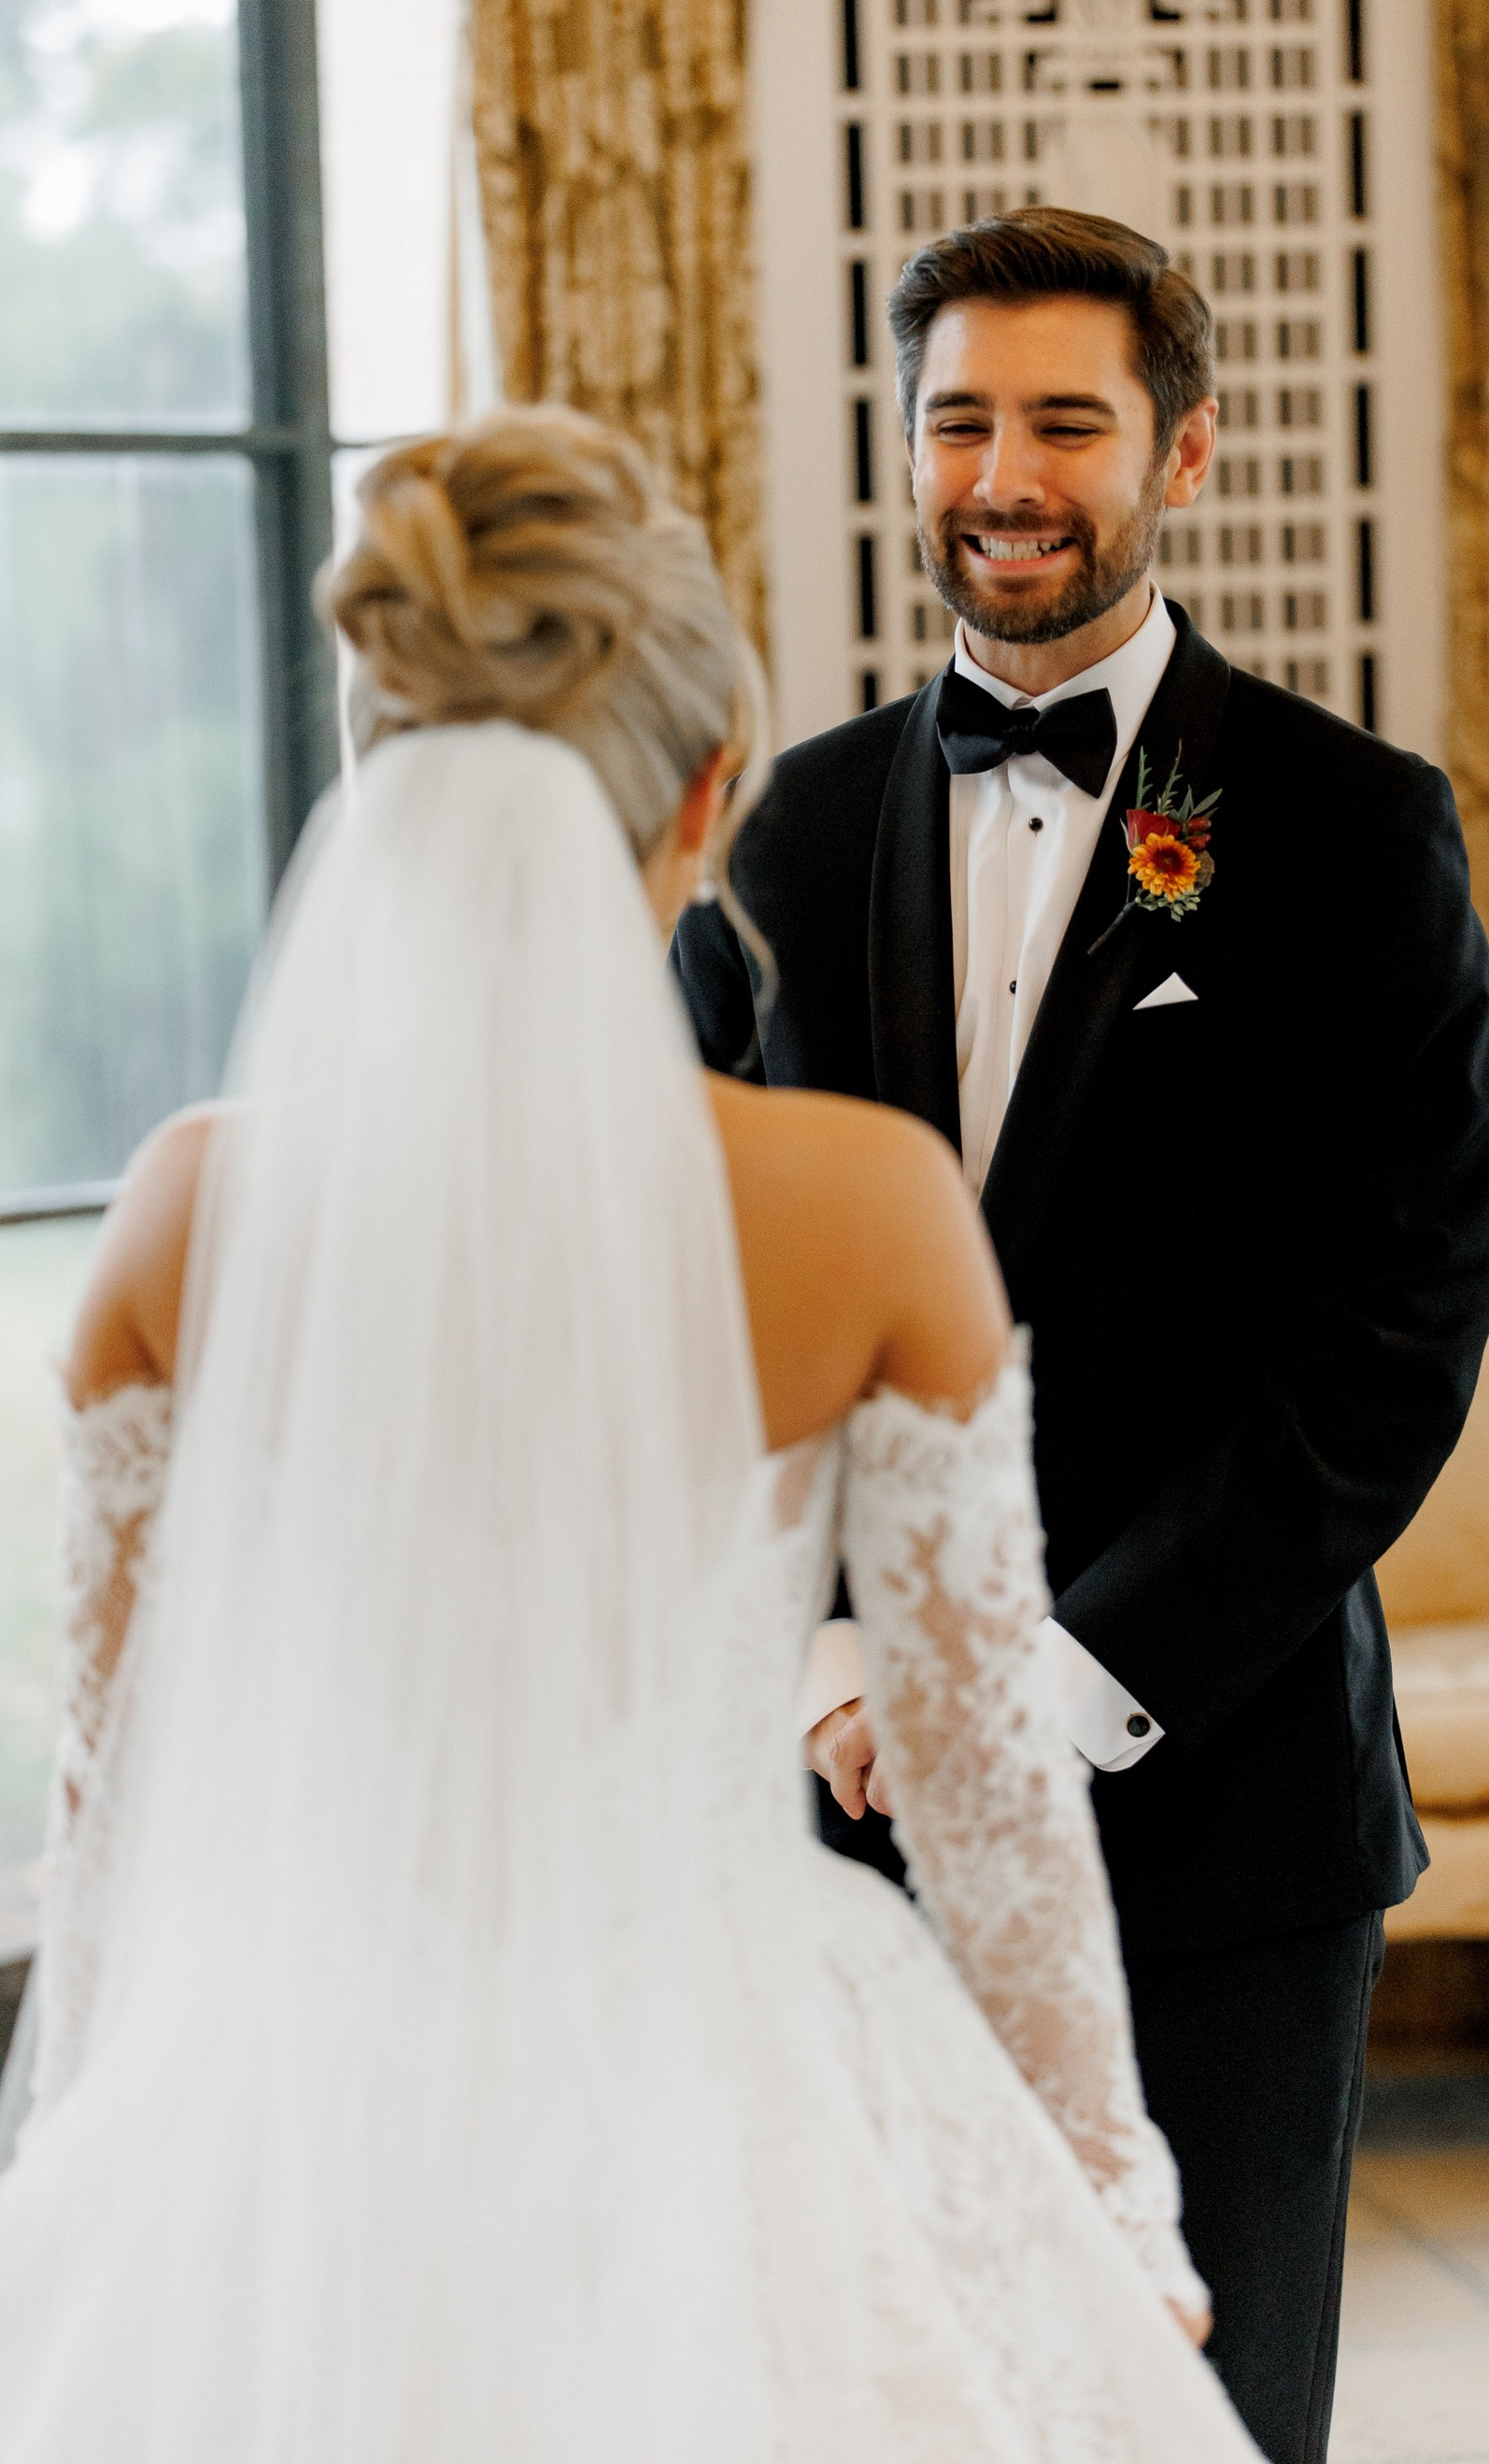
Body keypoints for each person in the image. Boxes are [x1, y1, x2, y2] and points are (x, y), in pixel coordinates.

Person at [0, 405, 1261, 2462]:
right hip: (729, 2072)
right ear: (707, 793)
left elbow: (117, 1812)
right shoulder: (866, 1213)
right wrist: (1112, 2191)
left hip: (305, 2118)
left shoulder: (183, 1213)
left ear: (377, 772)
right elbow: (985, 1807)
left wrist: (98, 2177)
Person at [674, 207, 1489, 2464]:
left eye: (1066, 422)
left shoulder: (1351, 832)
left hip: (1222, 1821)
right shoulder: (788, 832)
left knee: (1197, 2423)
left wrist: (1047, 1684)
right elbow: (696, 1295)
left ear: (1186, 451)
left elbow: (1394, 1337)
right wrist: (829, 1658)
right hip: (838, 1823)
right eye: (961, 421)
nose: (1006, 477)